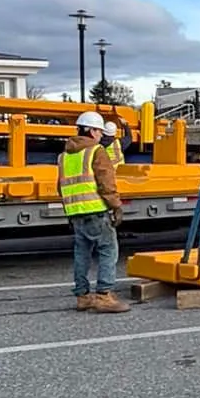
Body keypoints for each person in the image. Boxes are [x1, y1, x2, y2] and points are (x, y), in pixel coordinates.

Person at [58, 112, 128, 312]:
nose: (100, 135)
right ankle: (104, 295)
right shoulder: (95, 151)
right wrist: (116, 206)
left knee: (82, 254)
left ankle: (82, 296)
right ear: (90, 130)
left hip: (75, 213)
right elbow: (106, 182)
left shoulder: (64, 156)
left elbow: (61, 187)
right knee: (108, 250)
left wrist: (69, 211)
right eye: (98, 131)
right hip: (96, 210)